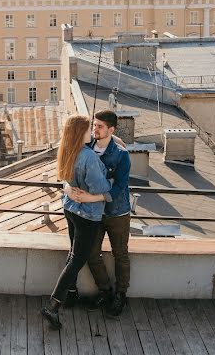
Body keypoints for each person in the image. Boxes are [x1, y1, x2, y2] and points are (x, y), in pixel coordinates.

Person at [41, 115, 112, 330]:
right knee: (77, 260)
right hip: (87, 215)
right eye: (89, 129)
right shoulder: (88, 157)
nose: (92, 132)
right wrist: (111, 181)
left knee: (73, 253)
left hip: (70, 209)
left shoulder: (67, 151)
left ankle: (70, 294)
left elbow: (66, 181)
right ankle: (52, 306)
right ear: (81, 132)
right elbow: (100, 187)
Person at [70, 110, 131, 317]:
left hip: (117, 213)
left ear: (111, 130)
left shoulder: (122, 155)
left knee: (120, 254)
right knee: (90, 253)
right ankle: (105, 290)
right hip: (92, 215)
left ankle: (121, 295)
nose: (94, 129)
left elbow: (119, 187)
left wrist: (90, 198)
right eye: (94, 125)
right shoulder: (86, 147)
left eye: (100, 126)